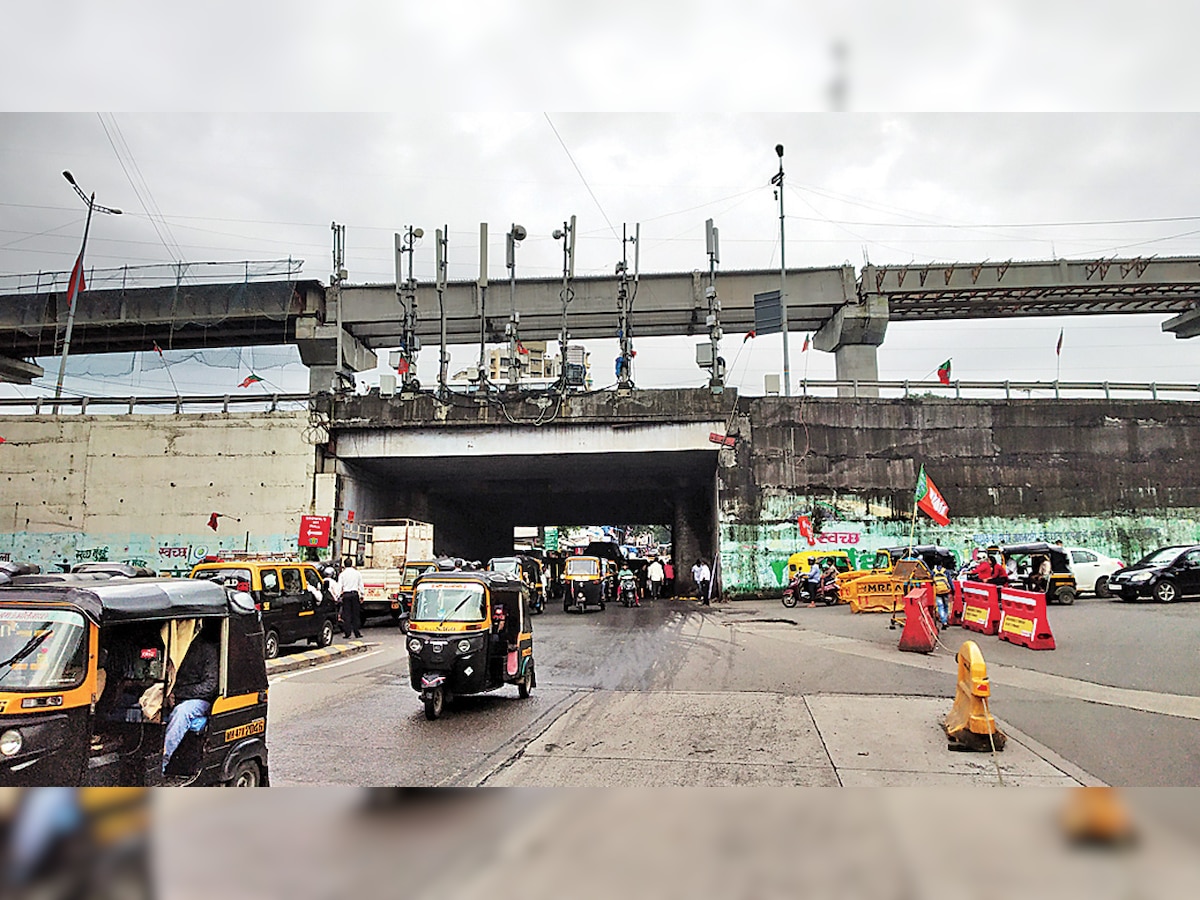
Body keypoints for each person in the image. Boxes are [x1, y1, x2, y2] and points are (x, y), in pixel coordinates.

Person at [163, 624, 220, 773]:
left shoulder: (207, 650)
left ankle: (163, 761)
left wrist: (178, 693)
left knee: (182, 713)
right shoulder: (173, 649)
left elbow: (209, 686)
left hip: (200, 700)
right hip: (174, 694)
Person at [338, 556, 364, 639]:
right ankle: (357, 632)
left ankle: (347, 633)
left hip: (346, 595)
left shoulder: (342, 574)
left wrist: (338, 596)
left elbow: (340, 586)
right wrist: (362, 595)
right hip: (354, 594)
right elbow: (361, 584)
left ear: (344, 565)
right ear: (352, 564)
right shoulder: (357, 573)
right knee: (356, 614)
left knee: (347, 615)